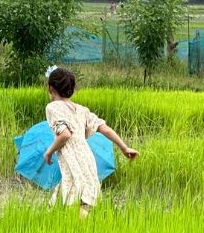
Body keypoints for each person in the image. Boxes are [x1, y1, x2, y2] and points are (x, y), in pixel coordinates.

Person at [42, 65, 138, 217]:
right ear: (72, 89)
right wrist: (124, 147)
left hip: (71, 155)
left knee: (74, 188)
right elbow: (103, 127)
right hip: (86, 155)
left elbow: (65, 134)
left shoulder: (53, 107)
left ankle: (77, 228)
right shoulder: (81, 109)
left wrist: (49, 151)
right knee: (83, 191)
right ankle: (60, 219)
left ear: (50, 88)